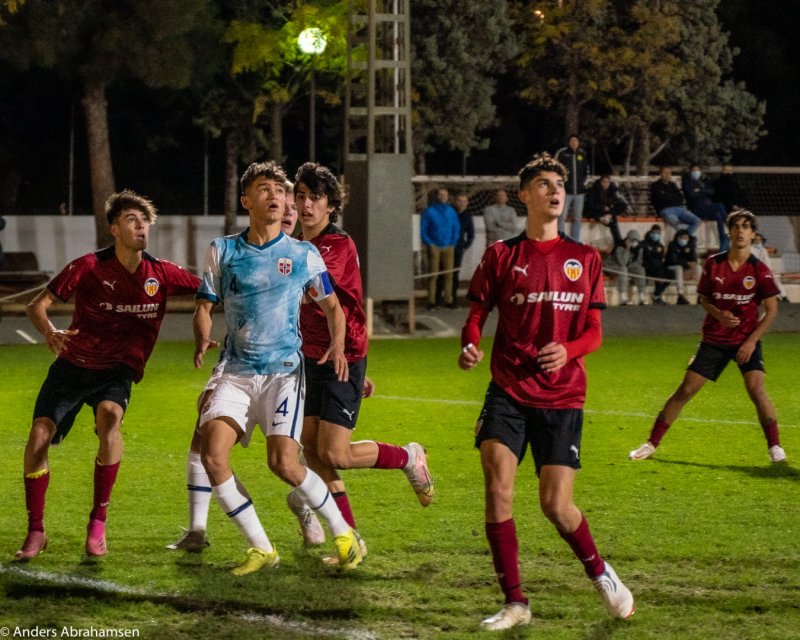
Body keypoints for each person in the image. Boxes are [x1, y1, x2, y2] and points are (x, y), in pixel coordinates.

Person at [458, 153, 634, 631]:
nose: (555, 190)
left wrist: (570, 349)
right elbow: (476, 313)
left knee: (556, 505)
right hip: (509, 390)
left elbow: (595, 332)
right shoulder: (500, 255)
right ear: (524, 195)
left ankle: (599, 571)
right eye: (543, 183)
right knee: (498, 489)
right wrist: (471, 344)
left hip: (562, 397)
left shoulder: (586, 258)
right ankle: (516, 602)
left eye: (558, 183)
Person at [192, 161, 363, 575]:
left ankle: (344, 534)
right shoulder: (224, 250)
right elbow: (204, 304)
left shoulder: (302, 254)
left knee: (284, 464)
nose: (276, 196)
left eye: (280, 190)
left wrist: (339, 343)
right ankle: (261, 547)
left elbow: (333, 307)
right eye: (264, 189)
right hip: (234, 369)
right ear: (246, 200)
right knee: (213, 455)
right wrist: (202, 333)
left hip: (284, 372)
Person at [15, 190, 201, 561]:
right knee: (38, 437)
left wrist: (206, 329)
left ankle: (97, 523)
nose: (141, 226)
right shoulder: (88, 266)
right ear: (114, 228)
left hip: (117, 370)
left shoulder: (161, 272)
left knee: (110, 419)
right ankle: (36, 530)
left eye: (144, 220)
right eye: (132, 219)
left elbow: (209, 290)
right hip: (74, 364)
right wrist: (49, 330)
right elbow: (37, 305)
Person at [283, 161, 434, 558]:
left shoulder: (336, 245)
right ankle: (349, 539)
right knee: (313, 452)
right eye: (300, 196)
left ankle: (407, 457)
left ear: (331, 204)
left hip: (342, 356)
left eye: (314, 197)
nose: (305, 204)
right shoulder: (296, 244)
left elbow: (311, 289)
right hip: (308, 357)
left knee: (335, 453)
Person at [167, 182, 300, 554]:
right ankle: (197, 529)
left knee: (304, 458)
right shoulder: (244, 248)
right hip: (240, 362)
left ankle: (318, 521)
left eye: (292, 206)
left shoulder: (301, 255)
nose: (287, 211)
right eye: (283, 204)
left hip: (288, 366)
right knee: (205, 438)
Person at [629, 209, 786, 464]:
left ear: (753, 234)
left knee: (756, 389)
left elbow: (772, 311)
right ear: (729, 231)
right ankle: (650, 444)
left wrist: (751, 341)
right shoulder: (714, 264)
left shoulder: (760, 270)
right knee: (685, 390)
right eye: (736, 226)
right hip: (714, 340)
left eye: (746, 226)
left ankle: (775, 447)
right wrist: (718, 314)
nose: (741, 231)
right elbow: (704, 299)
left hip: (745, 340)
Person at [420, 187, 460, 310]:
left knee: (449, 275)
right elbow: (423, 229)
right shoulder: (430, 212)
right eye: (441, 195)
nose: (443, 197)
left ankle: (448, 300)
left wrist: (453, 242)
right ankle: (431, 301)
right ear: (437, 196)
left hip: (448, 246)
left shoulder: (451, 212)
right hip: (434, 246)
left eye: (445, 195)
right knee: (434, 275)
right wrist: (429, 243)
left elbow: (456, 228)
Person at [682, 165, 730, 251]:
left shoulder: (703, 182)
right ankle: (730, 226)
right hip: (698, 209)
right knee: (720, 205)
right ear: (691, 172)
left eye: (698, 170)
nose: (696, 172)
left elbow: (712, 191)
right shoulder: (688, 182)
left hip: (708, 207)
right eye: (694, 170)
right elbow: (692, 195)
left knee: (718, 215)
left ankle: (722, 238)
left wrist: (700, 189)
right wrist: (704, 190)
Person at [554, 134, 589, 240]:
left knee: (577, 218)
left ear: (578, 143)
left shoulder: (583, 154)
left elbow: (587, 171)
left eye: (576, 141)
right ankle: (561, 240)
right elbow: (554, 169)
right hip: (565, 193)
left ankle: (575, 241)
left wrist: (583, 184)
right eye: (572, 141)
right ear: (569, 142)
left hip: (579, 193)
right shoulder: (562, 153)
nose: (574, 143)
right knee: (561, 217)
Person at [650, 167, 701, 237]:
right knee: (678, 226)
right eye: (665, 172)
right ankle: (684, 239)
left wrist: (668, 196)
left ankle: (685, 237)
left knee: (697, 221)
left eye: (669, 173)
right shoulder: (655, 186)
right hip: (666, 210)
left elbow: (680, 198)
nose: (667, 175)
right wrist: (672, 197)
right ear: (660, 174)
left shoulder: (672, 185)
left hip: (679, 209)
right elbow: (663, 199)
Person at [604, 229, 646, 305]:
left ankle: (641, 297)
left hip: (627, 267)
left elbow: (638, 262)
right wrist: (627, 249)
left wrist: (631, 267)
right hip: (611, 265)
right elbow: (622, 262)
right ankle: (622, 297)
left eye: (636, 240)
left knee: (640, 269)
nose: (635, 242)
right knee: (623, 269)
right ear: (628, 240)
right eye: (632, 240)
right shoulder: (620, 246)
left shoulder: (639, 248)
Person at [584, 174, 626, 247]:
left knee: (622, 206)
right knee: (612, 221)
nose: (606, 184)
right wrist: (602, 207)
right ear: (600, 182)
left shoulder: (613, 190)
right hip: (597, 210)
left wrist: (611, 208)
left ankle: (618, 243)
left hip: (608, 212)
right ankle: (618, 242)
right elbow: (590, 204)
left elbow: (618, 201)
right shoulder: (594, 190)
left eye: (608, 182)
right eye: (604, 182)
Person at [449, 192, 475, 305]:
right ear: (455, 201)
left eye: (464, 201)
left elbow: (471, 234)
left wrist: (465, 246)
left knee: (455, 273)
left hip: (458, 248)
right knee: (443, 274)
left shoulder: (468, 216)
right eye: (460, 201)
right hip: (446, 246)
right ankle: (437, 300)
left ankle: (453, 298)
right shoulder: (449, 213)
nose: (462, 203)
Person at [665, 228, 700, 305]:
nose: (684, 240)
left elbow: (694, 258)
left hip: (685, 268)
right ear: (678, 237)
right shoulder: (672, 245)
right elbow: (673, 260)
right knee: (678, 268)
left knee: (698, 268)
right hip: (671, 267)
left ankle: (701, 294)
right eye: (682, 238)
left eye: (685, 238)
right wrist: (687, 263)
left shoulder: (690, 245)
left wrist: (693, 263)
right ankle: (680, 294)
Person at [750, 232, 788, 301]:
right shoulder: (751, 249)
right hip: (755, 271)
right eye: (756, 239)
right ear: (753, 240)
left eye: (759, 239)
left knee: (774, 278)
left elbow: (767, 262)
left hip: (764, 270)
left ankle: (783, 295)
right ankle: (776, 296)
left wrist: (769, 271)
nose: (758, 241)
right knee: (767, 280)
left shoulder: (763, 250)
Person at [642, 224, 672, 305]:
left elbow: (660, 258)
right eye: (654, 233)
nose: (656, 235)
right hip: (646, 266)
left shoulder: (660, 246)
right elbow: (646, 257)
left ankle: (657, 294)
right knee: (658, 271)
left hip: (658, 267)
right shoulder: (644, 244)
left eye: (658, 233)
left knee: (671, 273)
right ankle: (653, 297)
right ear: (651, 232)